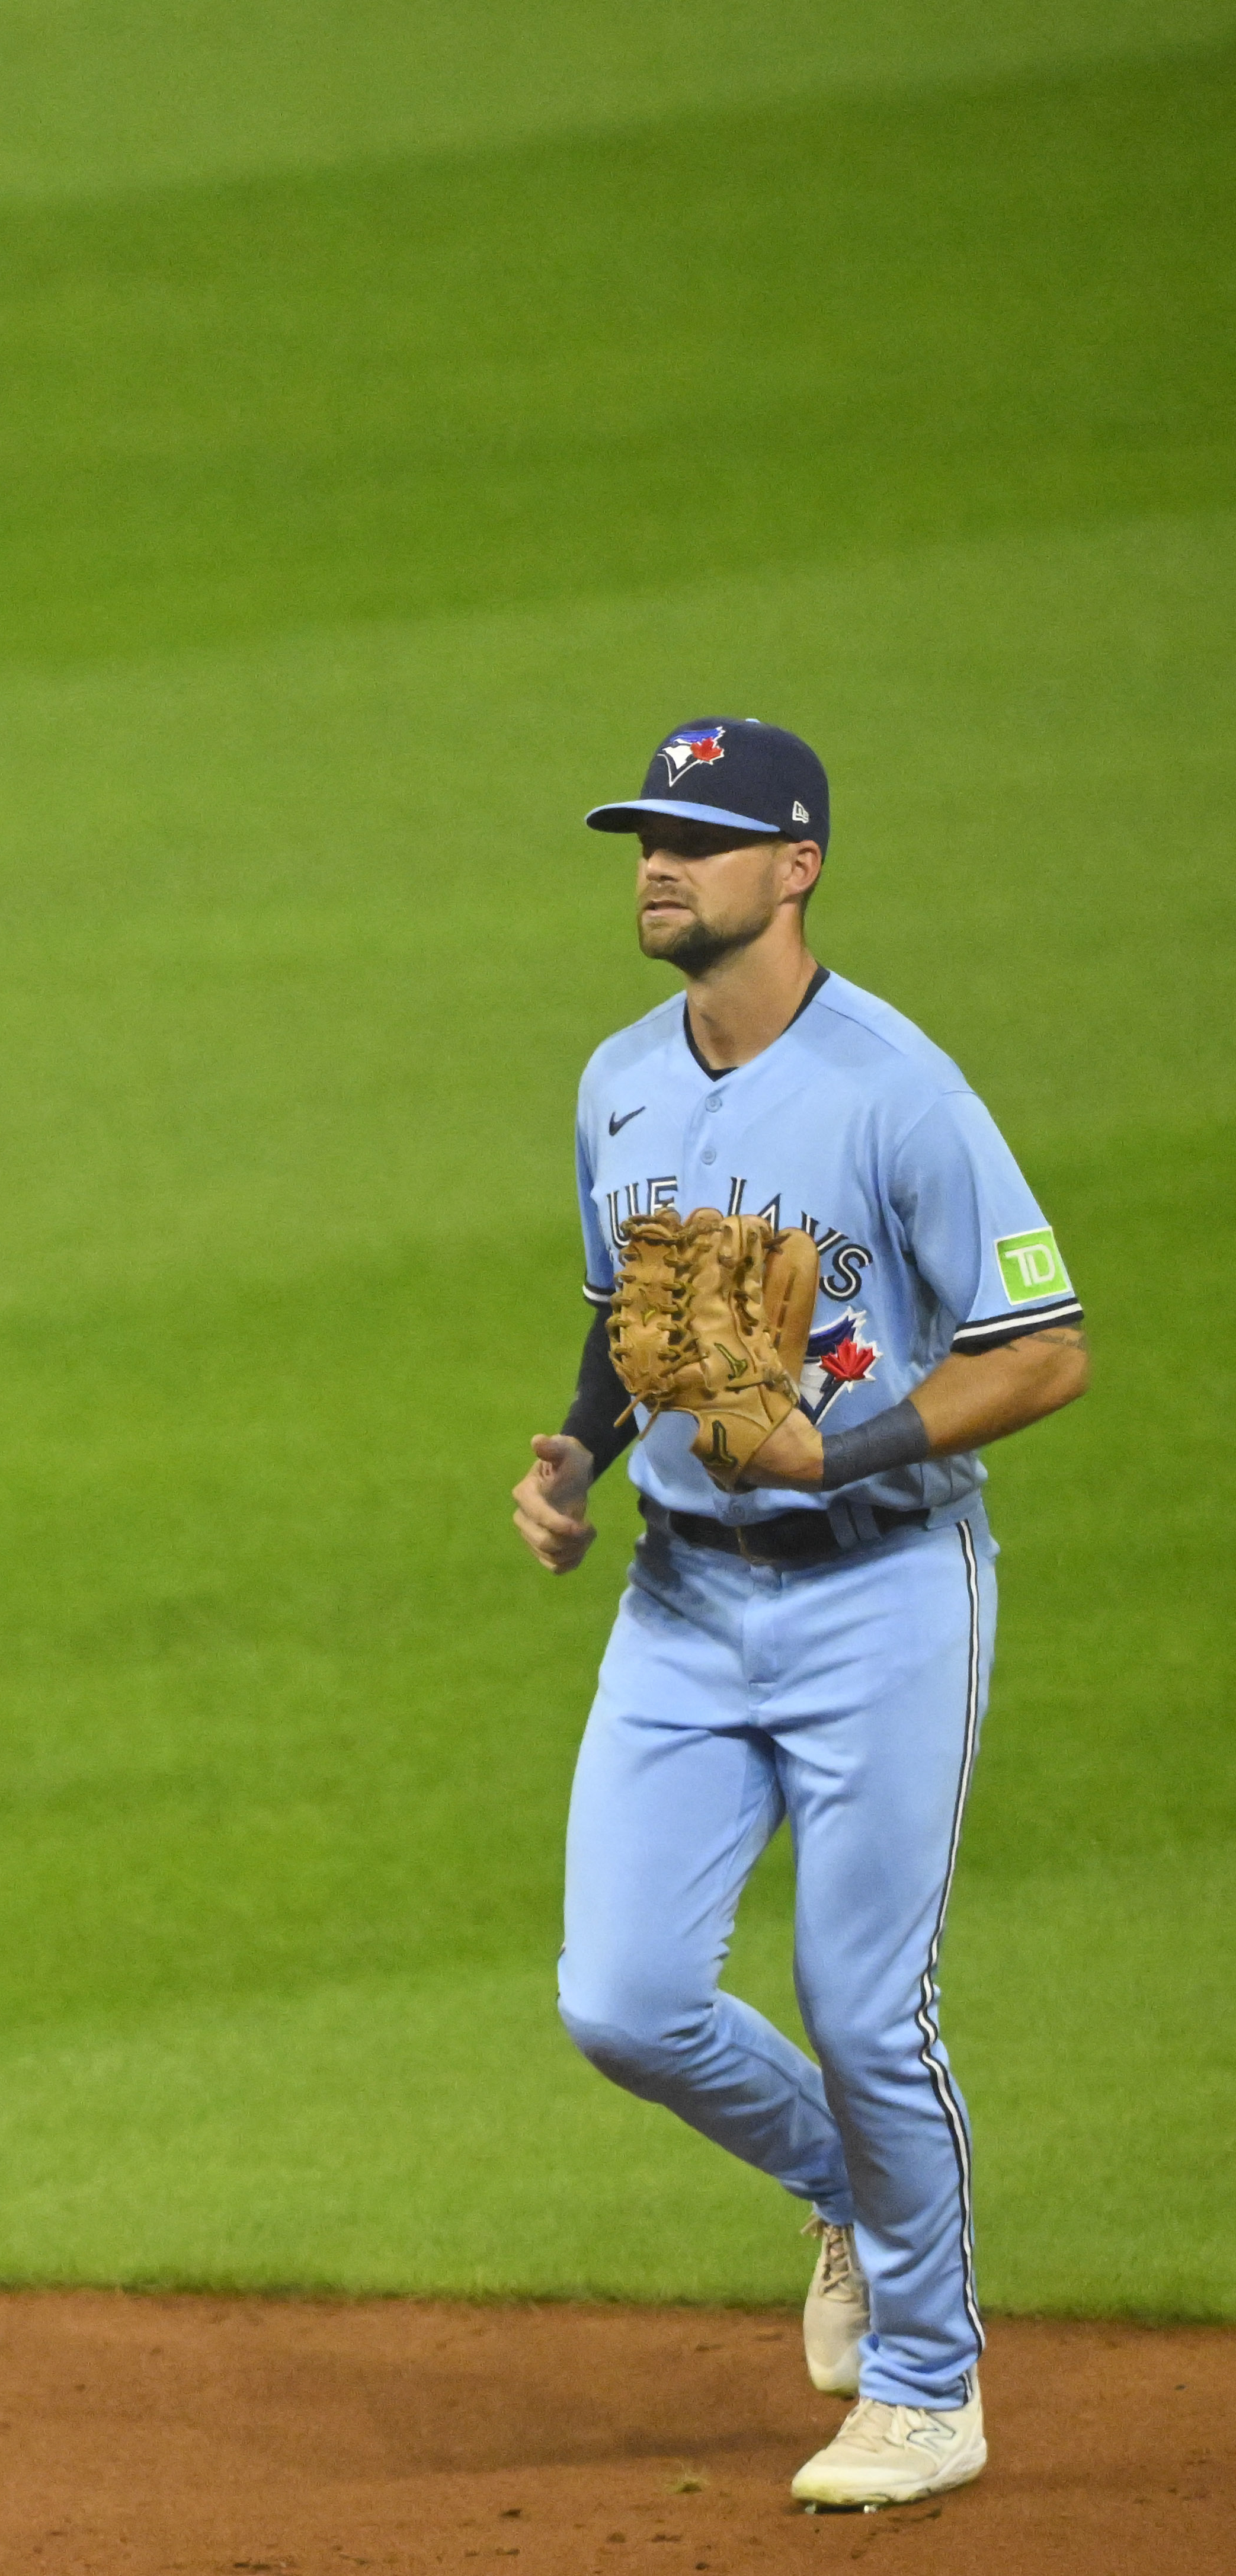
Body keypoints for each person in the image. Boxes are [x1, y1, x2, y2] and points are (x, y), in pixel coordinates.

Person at [510, 718, 1088, 2510]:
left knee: (862, 1996)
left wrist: (841, 1453)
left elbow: (1043, 1348)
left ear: (797, 863)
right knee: (620, 1995)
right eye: (644, 835)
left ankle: (929, 2381)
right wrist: (579, 1455)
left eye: (697, 834)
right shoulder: (619, 1077)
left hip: (886, 1599)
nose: (656, 862)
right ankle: (853, 2187)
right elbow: (637, 1311)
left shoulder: (898, 1088)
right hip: (683, 1607)